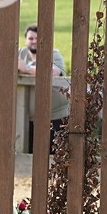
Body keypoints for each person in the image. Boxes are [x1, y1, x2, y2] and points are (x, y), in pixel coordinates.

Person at [17, 24, 69, 152]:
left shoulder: (53, 53)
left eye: (37, 38)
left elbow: (56, 71)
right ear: (25, 40)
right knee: (29, 152)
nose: (34, 41)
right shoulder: (20, 53)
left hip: (55, 116)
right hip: (27, 117)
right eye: (30, 38)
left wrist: (27, 69)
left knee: (54, 154)